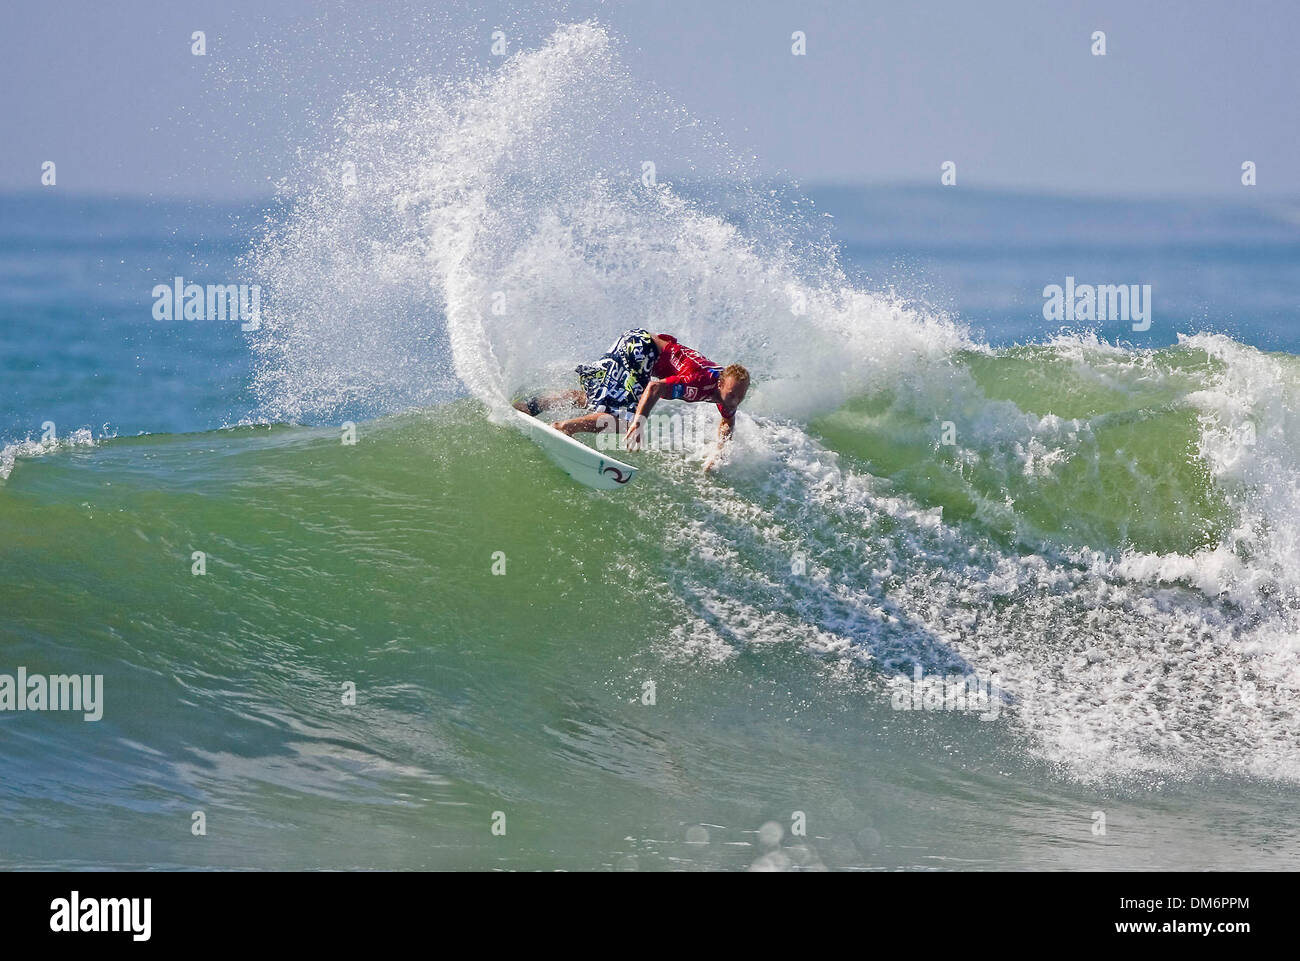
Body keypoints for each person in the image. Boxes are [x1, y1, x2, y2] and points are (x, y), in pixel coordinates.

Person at [514, 328, 750, 471]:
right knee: (624, 419)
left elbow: (727, 421)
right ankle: (564, 428)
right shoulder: (699, 380)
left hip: (636, 341)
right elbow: (655, 388)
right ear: (721, 383)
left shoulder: (726, 390)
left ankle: (530, 407)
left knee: (595, 399)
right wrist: (638, 424)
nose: (735, 401)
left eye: (741, 395)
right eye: (732, 394)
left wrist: (719, 452)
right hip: (642, 349)